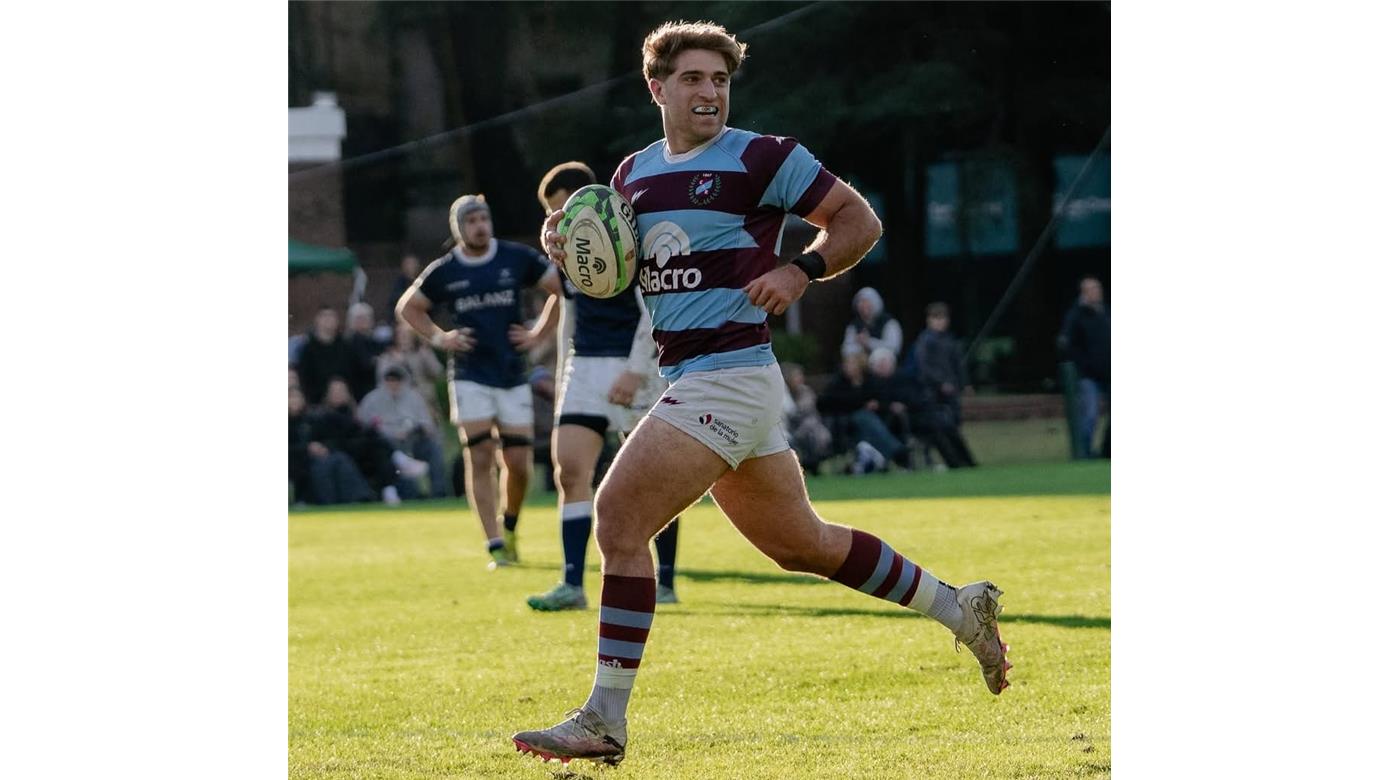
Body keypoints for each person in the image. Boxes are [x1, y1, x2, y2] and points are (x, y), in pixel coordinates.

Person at [512, 21, 1009, 766]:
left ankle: (604, 720)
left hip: (732, 374)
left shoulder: (764, 156)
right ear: (658, 88)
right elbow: (608, 269)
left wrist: (801, 269)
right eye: (692, 80)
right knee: (800, 544)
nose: (709, 92)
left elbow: (858, 219)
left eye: (720, 80)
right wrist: (568, 243)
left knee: (616, 520)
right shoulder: (630, 175)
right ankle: (957, 605)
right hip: (699, 378)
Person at [524, 161, 682, 613]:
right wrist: (561, 377)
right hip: (584, 368)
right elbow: (567, 314)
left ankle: (665, 579)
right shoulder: (564, 249)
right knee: (569, 470)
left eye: (559, 209)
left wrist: (636, 369)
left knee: (653, 480)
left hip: (634, 369)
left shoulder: (629, 237)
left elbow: (655, 307)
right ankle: (572, 584)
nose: (555, 222)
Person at [396, 193, 563, 568]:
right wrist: (440, 337)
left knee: (518, 464)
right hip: (469, 373)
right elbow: (409, 307)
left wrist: (538, 333)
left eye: (483, 218)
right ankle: (493, 544)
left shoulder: (515, 258)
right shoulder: (446, 269)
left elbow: (561, 287)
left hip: (511, 372)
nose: (480, 226)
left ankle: (511, 525)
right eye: (471, 221)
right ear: (459, 228)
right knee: (480, 454)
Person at [357, 365, 449, 499]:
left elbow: (427, 424)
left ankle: (439, 493)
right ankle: (410, 493)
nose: (393, 384)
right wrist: (389, 432)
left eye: (396, 380)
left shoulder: (414, 397)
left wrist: (414, 430)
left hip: (412, 440)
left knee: (434, 449)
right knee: (382, 448)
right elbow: (364, 423)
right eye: (389, 380)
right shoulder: (372, 399)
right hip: (385, 444)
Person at [817, 348, 909, 472]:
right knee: (863, 417)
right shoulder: (839, 382)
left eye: (851, 364)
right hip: (846, 422)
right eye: (847, 364)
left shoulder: (870, 381)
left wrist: (877, 405)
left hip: (874, 421)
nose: (848, 367)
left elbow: (882, 399)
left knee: (867, 426)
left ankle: (873, 461)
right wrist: (861, 403)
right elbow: (827, 402)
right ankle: (897, 452)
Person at [912, 302, 977, 468]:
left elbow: (958, 366)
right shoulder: (925, 342)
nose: (940, 322)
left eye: (943, 318)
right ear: (929, 320)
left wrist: (965, 384)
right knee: (942, 429)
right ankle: (956, 462)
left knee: (953, 427)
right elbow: (924, 368)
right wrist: (940, 383)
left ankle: (964, 462)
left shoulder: (950, 341)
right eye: (936, 318)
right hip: (933, 395)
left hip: (951, 394)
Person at [1057, 276, 1110, 458]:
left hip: (1108, 373)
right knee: (1090, 414)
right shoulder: (1076, 316)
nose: (1097, 292)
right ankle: (1084, 452)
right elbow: (1066, 343)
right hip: (1087, 375)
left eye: (1098, 288)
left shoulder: (1105, 313)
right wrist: (1082, 364)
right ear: (1084, 293)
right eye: (1093, 289)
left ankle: (1106, 450)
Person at [295, 306, 354, 406]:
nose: (328, 320)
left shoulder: (347, 347)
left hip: (344, 402)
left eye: (332, 316)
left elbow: (353, 373)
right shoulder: (307, 349)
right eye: (324, 316)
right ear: (317, 320)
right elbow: (304, 377)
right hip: (316, 402)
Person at [841, 286, 902, 360]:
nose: (864, 306)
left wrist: (868, 342)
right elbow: (846, 349)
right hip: (862, 360)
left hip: (883, 361)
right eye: (861, 303)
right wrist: (859, 345)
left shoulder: (889, 323)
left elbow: (894, 348)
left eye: (867, 302)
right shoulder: (854, 325)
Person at [345, 301, 388, 401]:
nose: (363, 321)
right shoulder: (349, 343)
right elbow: (365, 364)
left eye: (366, 317)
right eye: (359, 318)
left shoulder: (376, 341)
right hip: (359, 390)